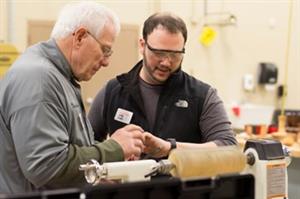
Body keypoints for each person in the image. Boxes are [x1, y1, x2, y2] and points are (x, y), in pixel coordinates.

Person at [0, 2, 146, 194]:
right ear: (80, 36)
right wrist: (114, 148)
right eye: (105, 50)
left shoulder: (60, 77)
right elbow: (47, 166)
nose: (106, 61)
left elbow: (66, 152)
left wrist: (100, 174)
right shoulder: (39, 79)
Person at [88, 12, 237, 158]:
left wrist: (170, 148)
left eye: (175, 54)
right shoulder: (113, 91)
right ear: (142, 46)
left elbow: (228, 147)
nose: (166, 62)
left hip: (181, 183)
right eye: (159, 53)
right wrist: (109, 161)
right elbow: (87, 144)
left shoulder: (201, 96)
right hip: (126, 183)